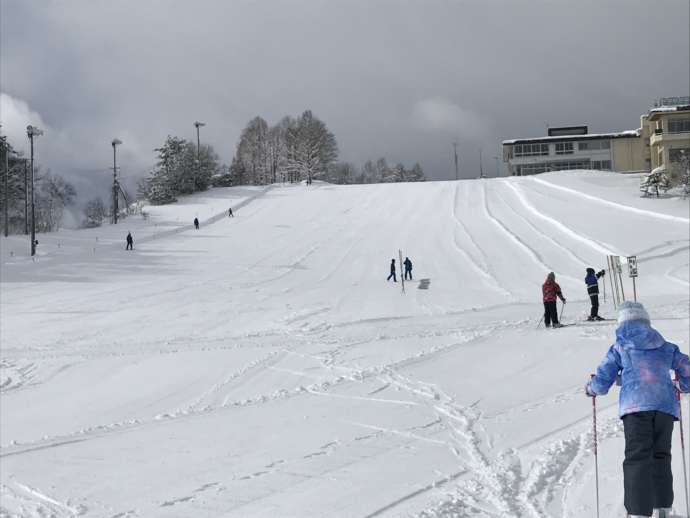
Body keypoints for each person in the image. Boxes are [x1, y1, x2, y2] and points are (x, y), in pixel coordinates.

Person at [585, 301, 690, 518]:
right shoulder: (665, 346)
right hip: (664, 407)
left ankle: (638, 513)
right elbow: (686, 368)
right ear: (647, 322)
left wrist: (592, 389)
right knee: (661, 456)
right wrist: (682, 385)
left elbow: (603, 378)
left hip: (636, 408)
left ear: (622, 323)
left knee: (637, 459)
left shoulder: (621, 346)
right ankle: (663, 510)